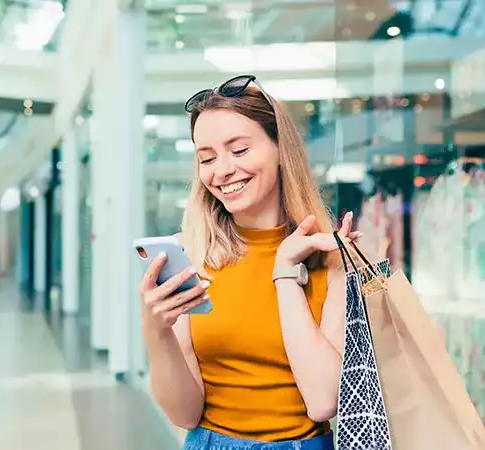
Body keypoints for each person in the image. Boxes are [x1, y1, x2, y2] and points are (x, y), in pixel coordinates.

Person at [139, 75, 360, 450]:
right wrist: (156, 330)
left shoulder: (332, 256)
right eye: (206, 158)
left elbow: (323, 401)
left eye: (239, 151)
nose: (221, 171)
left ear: (280, 150)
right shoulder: (190, 254)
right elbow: (185, 414)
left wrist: (286, 271)